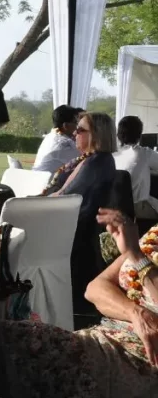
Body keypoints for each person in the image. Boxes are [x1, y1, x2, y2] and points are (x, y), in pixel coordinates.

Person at [0, 208, 158, 398]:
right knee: (7, 338)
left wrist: (137, 257)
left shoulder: (140, 253)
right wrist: (134, 312)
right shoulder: (155, 236)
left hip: (140, 360)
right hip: (105, 339)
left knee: (25, 344)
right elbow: (95, 288)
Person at [43, 111, 117, 314]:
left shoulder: (98, 162)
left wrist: (39, 202)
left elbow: (67, 198)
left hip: (74, 232)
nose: (74, 133)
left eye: (81, 130)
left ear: (98, 134)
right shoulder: (87, 159)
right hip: (66, 222)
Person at [113, 115, 158, 220]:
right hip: (137, 208)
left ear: (118, 134)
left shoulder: (113, 154)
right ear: (139, 135)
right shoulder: (145, 153)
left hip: (114, 206)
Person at [31, 104, 82, 173]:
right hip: (47, 182)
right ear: (66, 126)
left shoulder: (50, 137)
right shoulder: (65, 144)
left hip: (38, 179)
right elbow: (86, 159)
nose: (78, 127)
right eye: (76, 123)